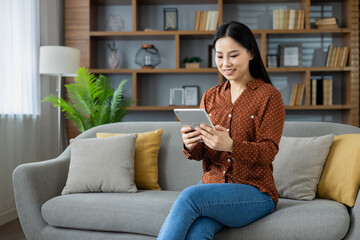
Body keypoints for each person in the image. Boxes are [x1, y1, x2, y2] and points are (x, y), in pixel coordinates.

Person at [157, 21, 285, 240]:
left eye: (233, 55)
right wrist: (191, 144)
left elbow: (268, 152)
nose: (226, 63)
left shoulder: (269, 96)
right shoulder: (210, 96)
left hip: (255, 191)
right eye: (219, 56)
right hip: (213, 185)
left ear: (251, 53)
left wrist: (231, 146)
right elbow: (200, 154)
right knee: (199, 231)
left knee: (189, 197)